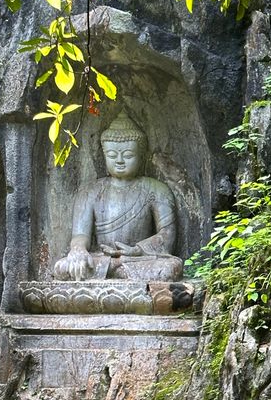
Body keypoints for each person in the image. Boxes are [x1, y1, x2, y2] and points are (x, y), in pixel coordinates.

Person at [54, 111, 183, 282]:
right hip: (102, 259)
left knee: (169, 269)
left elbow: (167, 235)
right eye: (112, 155)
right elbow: (80, 235)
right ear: (104, 155)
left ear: (141, 155)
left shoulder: (156, 189)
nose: (120, 161)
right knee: (62, 268)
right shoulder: (90, 191)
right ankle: (119, 272)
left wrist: (137, 250)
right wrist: (78, 251)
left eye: (128, 155)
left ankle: (114, 272)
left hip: (139, 259)